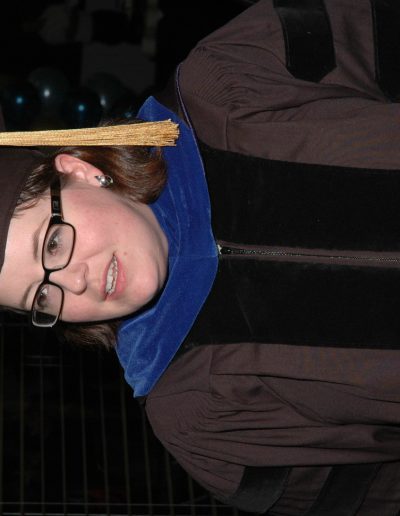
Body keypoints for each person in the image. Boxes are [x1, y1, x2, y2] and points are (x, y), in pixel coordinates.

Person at [0, 0, 400, 514]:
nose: (71, 284)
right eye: (41, 295)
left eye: (53, 244)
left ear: (79, 170)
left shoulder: (236, 76)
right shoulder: (211, 428)